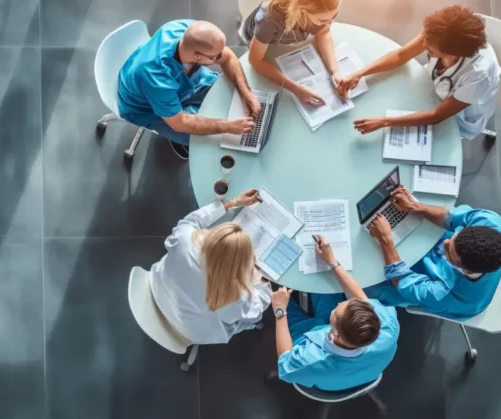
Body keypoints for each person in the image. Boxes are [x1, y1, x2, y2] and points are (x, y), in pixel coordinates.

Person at [338, 5, 501, 140]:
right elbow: (401, 55)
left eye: (429, 49)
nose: (423, 44)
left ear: (450, 54)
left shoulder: (478, 75)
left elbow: (436, 115)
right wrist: (360, 73)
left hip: (462, 110)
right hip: (432, 87)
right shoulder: (438, 34)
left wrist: (385, 122)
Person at [269, 235, 399, 390]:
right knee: (323, 280)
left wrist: (279, 311)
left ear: (336, 334)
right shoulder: (388, 328)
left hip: (326, 367)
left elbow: (285, 361)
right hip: (361, 364)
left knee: (281, 300)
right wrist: (332, 263)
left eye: (336, 311)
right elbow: (362, 299)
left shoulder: (308, 361)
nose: (338, 303)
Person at [118, 20, 260, 160]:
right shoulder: (157, 77)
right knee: (212, 140)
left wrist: (246, 93)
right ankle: (178, 140)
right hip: (147, 107)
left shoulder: (187, 30)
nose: (220, 57)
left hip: (179, 84)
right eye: (214, 57)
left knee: (227, 95)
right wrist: (228, 127)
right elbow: (181, 123)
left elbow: (228, 57)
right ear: (197, 56)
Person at [365, 186, 501, 319]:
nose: (445, 244)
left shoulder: (447, 294)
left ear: (467, 270)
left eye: (449, 252)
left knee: (369, 288)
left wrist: (386, 241)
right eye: (453, 238)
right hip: (463, 265)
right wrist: (415, 207)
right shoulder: (491, 222)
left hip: (455, 299)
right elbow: (451, 218)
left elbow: (403, 283)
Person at [149, 188, 272, 344]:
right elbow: (256, 311)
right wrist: (260, 282)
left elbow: (191, 221)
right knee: (245, 320)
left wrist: (232, 203)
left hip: (158, 287)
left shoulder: (184, 240)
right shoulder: (231, 295)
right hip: (188, 329)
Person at [243, 0, 344, 105]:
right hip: (260, 39)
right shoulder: (268, 20)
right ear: (302, 10)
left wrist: (334, 71)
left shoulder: (322, 12)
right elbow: (255, 60)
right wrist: (296, 89)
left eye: (334, 15)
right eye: (323, 19)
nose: (329, 23)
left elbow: (323, 32)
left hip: (282, 43)